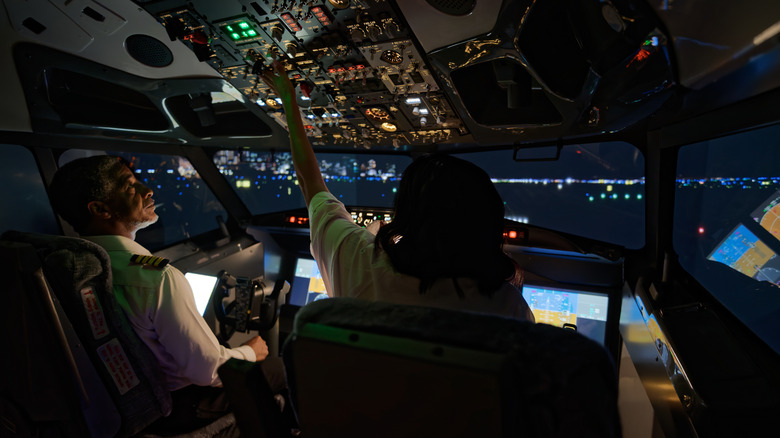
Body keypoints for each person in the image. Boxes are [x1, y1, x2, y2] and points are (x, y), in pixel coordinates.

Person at [261, 61, 534, 321]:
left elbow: (309, 181)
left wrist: (289, 101)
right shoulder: (510, 309)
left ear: (406, 217)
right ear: (487, 223)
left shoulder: (360, 262)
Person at [48, 155, 279, 434]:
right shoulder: (157, 279)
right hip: (175, 406)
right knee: (277, 369)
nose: (148, 190)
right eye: (130, 187)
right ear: (100, 209)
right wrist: (251, 353)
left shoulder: (70, 268)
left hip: (113, 401)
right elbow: (208, 372)